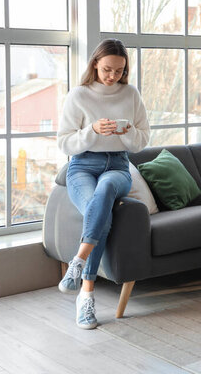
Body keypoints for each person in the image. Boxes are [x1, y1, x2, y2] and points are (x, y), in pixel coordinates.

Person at [56, 38, 150, 329]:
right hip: (82, 165)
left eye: (119, 71)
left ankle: (79, 262)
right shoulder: (78, 95)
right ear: (95, 63)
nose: (113, 76)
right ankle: (86, 294)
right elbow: (64, 143)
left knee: (107, 189)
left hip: (118, 165)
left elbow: (142, 140)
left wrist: (127, 130)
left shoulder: (131, 94)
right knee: (100, 211)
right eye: (107, 69)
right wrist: (92, 131)